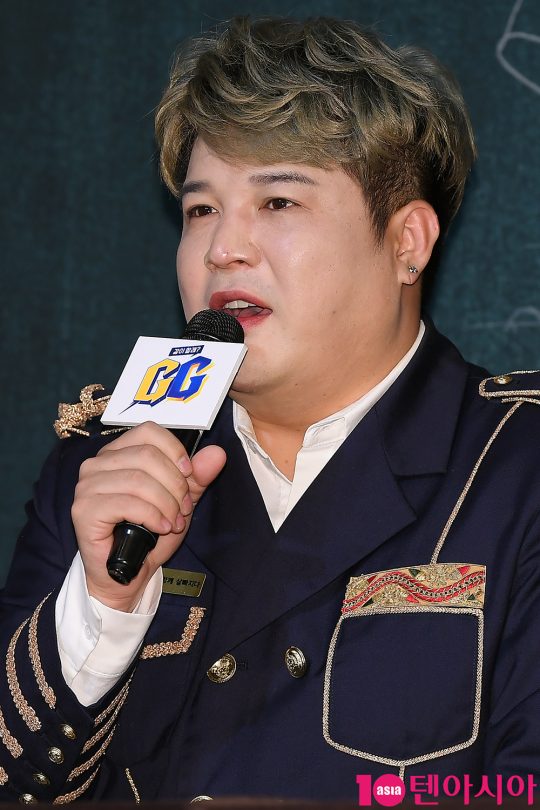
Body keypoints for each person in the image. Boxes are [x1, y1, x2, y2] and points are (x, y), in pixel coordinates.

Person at [1, 15, 539, 805]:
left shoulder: (517, 468)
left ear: (407, 243)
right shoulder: (102, 472)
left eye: (278, 201)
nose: (223, 248)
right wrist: (102, 606)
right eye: (200, 210)